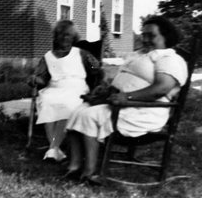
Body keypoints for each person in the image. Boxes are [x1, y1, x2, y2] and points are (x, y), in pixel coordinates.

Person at [65, 16, 188, 185]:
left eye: (151, 36)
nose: (145, 39)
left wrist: (127, 96)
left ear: (166, 36)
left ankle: (89, 173)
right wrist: (107, 88)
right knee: (77, 111)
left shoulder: (169, 59)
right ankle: (74, 166)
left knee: (89, 115)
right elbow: (124, 78)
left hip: (144, 111)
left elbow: (161, 88)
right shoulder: (140, 54)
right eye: (143, 34)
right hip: (121, 105)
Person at [31, 20, 102, 161]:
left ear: (74, 37)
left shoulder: (82, 53)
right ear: (56, 37)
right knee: (46, 102)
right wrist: (34, 79)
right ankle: (55, 149)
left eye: (68, 35)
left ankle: (52, 148)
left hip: (77, 88)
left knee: (68, 103)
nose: (65, 38)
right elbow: (42, 79)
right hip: (54, 88)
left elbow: (97, 69)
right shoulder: (47, 57)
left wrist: (98, 73)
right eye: (61, 34)